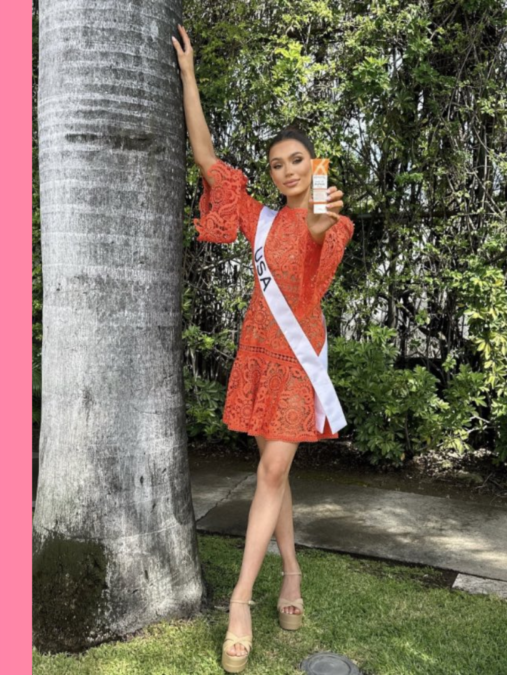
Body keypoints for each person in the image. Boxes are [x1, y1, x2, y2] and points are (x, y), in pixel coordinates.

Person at [172, 24, 354, 673]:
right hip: (256, 353)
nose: (286, 171)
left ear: (314, 164)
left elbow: (316, 245)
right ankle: (292, 574)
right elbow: (206, 159)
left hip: (299, 359)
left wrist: (319, 222)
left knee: (272, 473)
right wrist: (189, 76)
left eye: (296, 161)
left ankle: (241, 603)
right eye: (277, 164)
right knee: (273, 475)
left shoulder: (333, 221)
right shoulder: (259, 216)